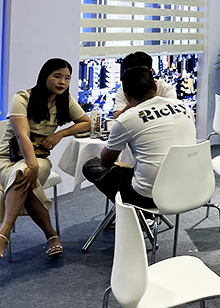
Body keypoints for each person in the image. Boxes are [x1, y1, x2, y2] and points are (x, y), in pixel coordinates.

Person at [0, 58, 91, 259]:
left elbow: (86, 123)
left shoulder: (64, 100)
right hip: (7, 158)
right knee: (24, 174)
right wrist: (31, 165)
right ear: (44, 76)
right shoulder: (22, 98)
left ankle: (3, 233)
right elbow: (22, 136)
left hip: (40, 157)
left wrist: (60, 134)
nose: (62, 82)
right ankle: (51, 236)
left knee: (23, 173)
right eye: (57, 76)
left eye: (67, 78)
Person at [82, 67, 197, 209]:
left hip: (150, 197)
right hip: (192, 187)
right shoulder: (183, 107)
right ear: (155, 87)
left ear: (127, 96)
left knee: (91, 165)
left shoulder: (127, 119)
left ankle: (135, 213)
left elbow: (106, 161)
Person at [113, 51, 177, 118]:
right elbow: (117, 116)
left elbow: (174, 115)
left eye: (142, 73)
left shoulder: (166, 89)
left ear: (151, 72)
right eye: (132, 74)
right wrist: (135, 102)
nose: (137, 77)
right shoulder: (123, 90)